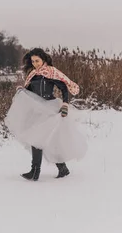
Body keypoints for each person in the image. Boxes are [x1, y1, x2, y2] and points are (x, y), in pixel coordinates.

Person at [5, 48, 85, 181]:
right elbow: (30, 92)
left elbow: (64, 88)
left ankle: (52, 169)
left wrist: (65, 104)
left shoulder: (52, 72)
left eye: (37, 61)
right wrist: (22, 91)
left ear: (44, 59)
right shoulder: (32, 75)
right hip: (36, 110)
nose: (35, 64)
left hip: (49, 108)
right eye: (33, 61)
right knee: (36, 138)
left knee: (46, 140)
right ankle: (44, 170)